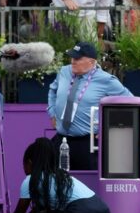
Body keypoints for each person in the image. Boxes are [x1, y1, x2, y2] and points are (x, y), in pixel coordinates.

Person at [47, 42, 133, 171]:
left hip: (87, 144)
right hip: (61, 140)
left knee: (87, 186)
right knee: (54, 182)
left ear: (92, 62)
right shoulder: (64, 71)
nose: (73, 61)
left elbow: (132, 103)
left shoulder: (107, 80)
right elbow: (52, 90)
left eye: (77, 58)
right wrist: (52, 112)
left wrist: (111, 126)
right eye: (72, 57)